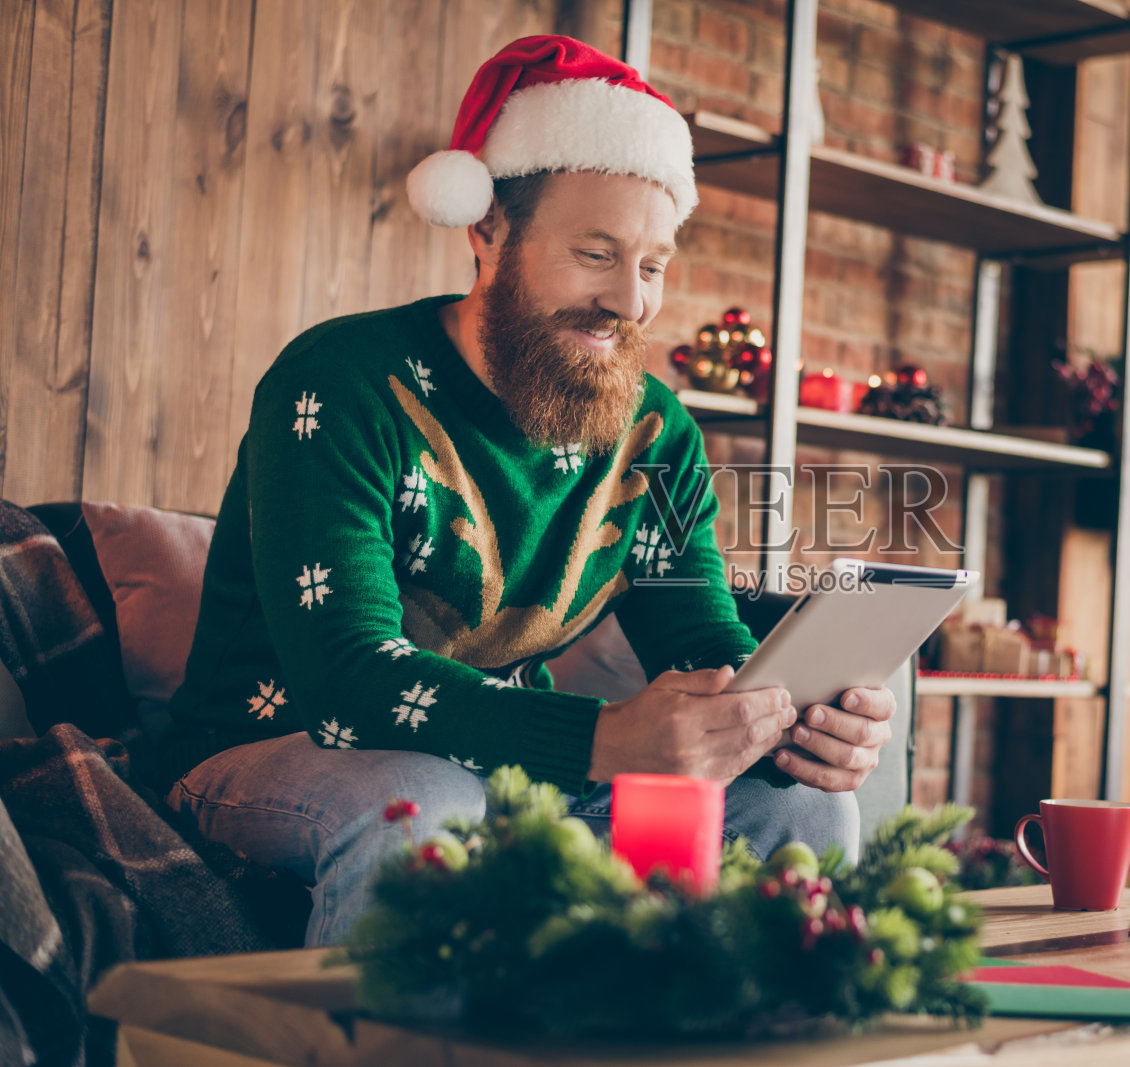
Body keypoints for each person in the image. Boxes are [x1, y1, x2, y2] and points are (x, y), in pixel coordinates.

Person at [161, 36, 894, 948]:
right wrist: (605, 739)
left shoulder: (656, 433)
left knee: (810, 819)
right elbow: (344, 683)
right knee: (423, 800)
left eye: (655, 265)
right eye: (596, 253)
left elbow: (702, 638)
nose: (631, 300)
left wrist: (787, 723)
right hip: (266, 751)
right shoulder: (338, 382)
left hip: (515, 772)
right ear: (487, 231)